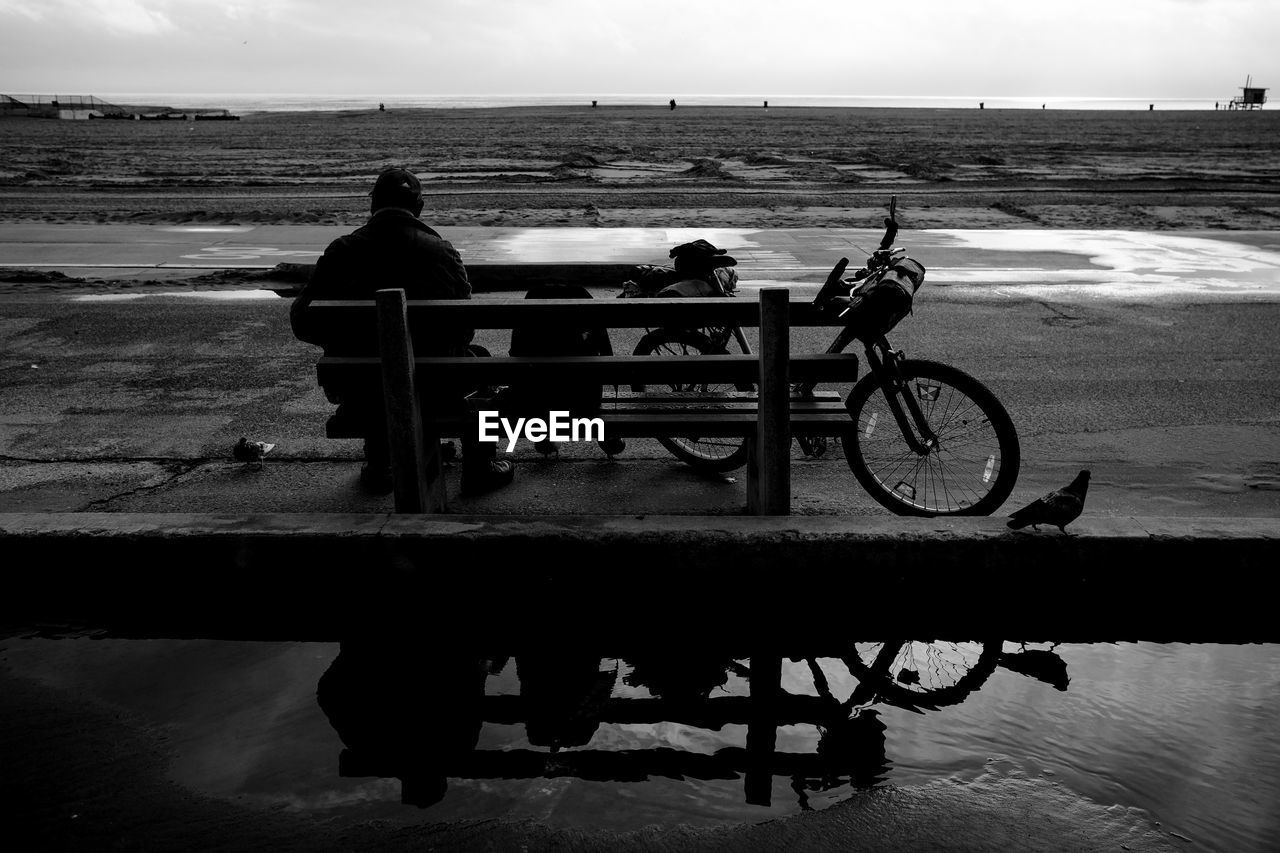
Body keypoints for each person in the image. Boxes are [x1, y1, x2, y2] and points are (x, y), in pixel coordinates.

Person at [291, 166, 514, 495]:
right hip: (434, 388)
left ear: (372, 205)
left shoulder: (342, 251)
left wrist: (340, 339)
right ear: (419, 207)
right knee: (476, 359)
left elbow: (303, 322)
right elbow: (464, 328)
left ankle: (382, 465)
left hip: (362, 393)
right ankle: (479, 465)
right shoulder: (441, 252)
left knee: (374, 364)